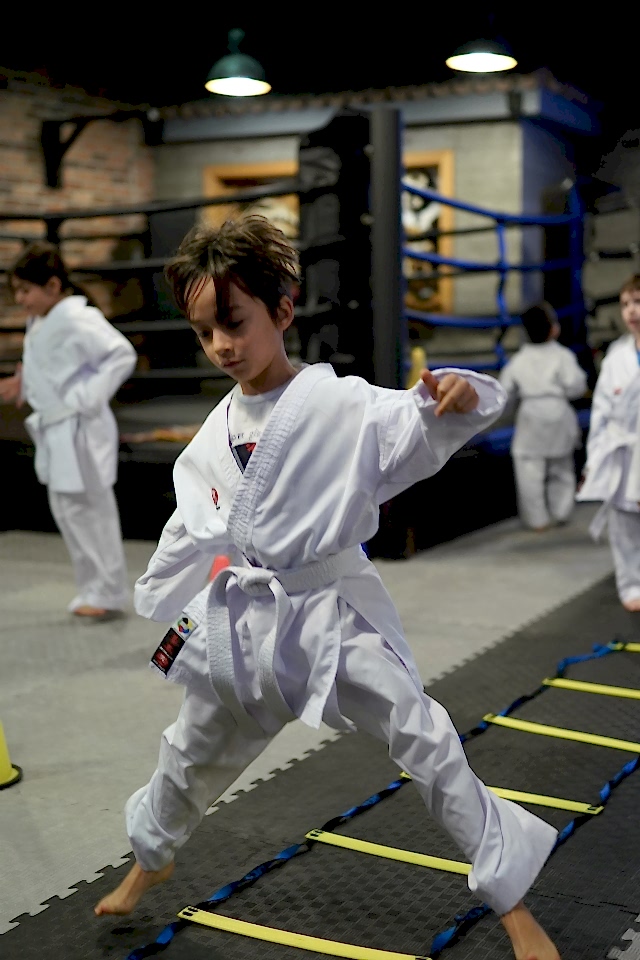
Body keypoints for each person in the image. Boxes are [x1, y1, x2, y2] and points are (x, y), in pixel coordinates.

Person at [95, 217, 561, 959]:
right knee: (189, 746)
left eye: (236, 323)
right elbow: (191, 526)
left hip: (332, 612)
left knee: (425, 736)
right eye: (205, 329)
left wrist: (455, 400)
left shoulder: (338, 406)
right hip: (249, 618)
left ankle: (512, 905)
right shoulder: (212, 434)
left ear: (283, 310)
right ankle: (152, 856)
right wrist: (162, 596)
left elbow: (409, 421)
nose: (222, 345)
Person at [0, 241, 137, 619]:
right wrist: (23, 382)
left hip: (80, 427)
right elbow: (49, 363)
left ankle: (109, 591)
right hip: (56, 428)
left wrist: (87, 397)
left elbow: (121, 354)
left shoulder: (79, 318)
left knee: (93, 510)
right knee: (68, 510)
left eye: (26, 290)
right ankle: (92, 587)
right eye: (17, 291)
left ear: (53, 286)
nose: (21, 299)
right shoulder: (40, 321)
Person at [577, 274, 640, 612]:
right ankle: (631, 584)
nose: (631, 311)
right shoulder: (616, 357)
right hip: (623, 451)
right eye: (626, 304)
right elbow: (601, 411)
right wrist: (594, 459)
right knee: (624, 522)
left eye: (638, 301)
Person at [499, 302, 587, 531]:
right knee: (562, 467)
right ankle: (561, 511)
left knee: (529, 470)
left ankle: (537, 520)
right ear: (554, 329)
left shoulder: (518, 360)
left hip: (531, 413)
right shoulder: (563, 356)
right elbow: (576, 386)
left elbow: (504, 391)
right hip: (558, 411)